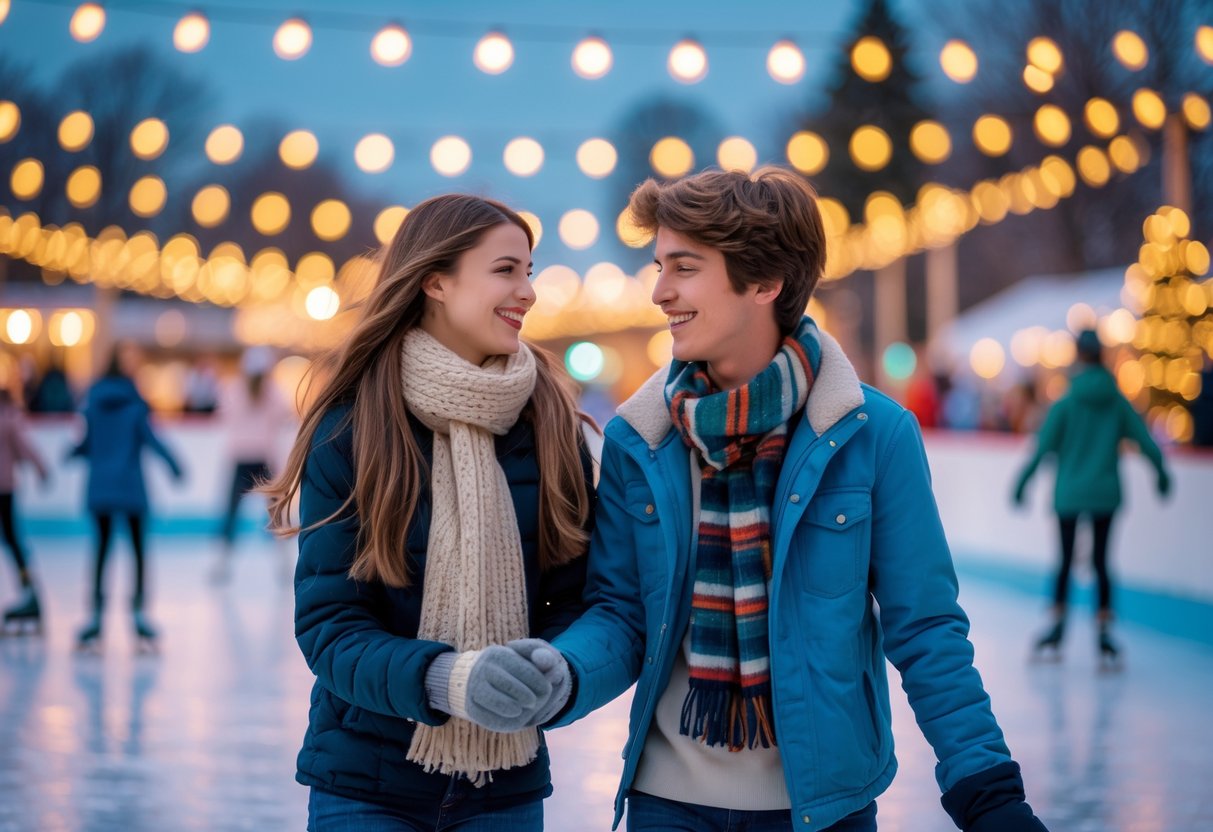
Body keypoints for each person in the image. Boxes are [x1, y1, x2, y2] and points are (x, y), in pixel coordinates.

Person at [503, 168, 1049, 831]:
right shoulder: (638, 441)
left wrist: (986, 791)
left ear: (765, 283)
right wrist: (564, 668)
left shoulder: (870, 436)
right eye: (659, 266)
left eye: (684, 267)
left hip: (820, 806)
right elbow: (621, 612)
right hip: (667, 803)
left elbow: (924, 625)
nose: (660, 292)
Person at [263, 194, 595, 832]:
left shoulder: (550, 424)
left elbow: (577, 596)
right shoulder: (356, 428)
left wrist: (557, 666)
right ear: (435, 280)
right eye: (506, 270)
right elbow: (330, 625)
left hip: (505, 789)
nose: (528, 292)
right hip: (366, 782)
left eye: (529, 271)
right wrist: (444, 680)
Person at [1013, 329, 1171, 663]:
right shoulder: (1116, 402)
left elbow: (1042, 448)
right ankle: (1103, 632)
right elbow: (1144, 439)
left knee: (1065, 561)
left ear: (1077, 356)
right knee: (1101, 561)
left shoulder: (1066, 403)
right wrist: (1160, 472)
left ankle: (1057, 626)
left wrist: (1022, 483)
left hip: (1069, 493)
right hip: (1105, 493)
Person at [70, 345, 184, 651]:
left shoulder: (92, 405)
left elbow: (84, 445)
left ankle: (95, 616)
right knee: (137, 552)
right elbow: (152, 440)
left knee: (101, 552)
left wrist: (71, 454)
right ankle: (138, 614)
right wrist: (175, 466)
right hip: (132, 489)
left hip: (101, 488)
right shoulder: (135, 406)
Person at [210, 346, 294, 584]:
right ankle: (284, 565)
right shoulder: (272, 391)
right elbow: (285, 415)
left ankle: (222, 565)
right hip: (264, 459)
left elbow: (222, 414)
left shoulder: (234, 389)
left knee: (231, 514)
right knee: (276, 515)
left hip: (241, 458)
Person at [0, 388, 49, 634]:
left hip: (5, 489)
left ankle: (29, 592)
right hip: (5, 488)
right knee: (13, 542)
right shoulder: (9, 417)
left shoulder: (8, 418)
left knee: (12, 540)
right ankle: (29, 591)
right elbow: (25, 448)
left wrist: (40, 468)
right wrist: (42, 469)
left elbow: (22, 448)